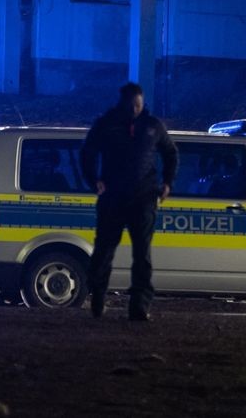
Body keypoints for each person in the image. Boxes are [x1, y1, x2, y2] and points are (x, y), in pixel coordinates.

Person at [81, 82, 178, 321]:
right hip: (112, 198)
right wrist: (94, 180)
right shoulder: (106, 124)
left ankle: (139, 306)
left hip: (144, 198)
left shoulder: (153, 126)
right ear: (123, 103)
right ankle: (98, 297)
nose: (135, 109)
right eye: (131, 105)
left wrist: (167, 182)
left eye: (139, 105)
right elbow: (87, 153)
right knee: (104, 251)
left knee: (142, 254)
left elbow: (171, 152)